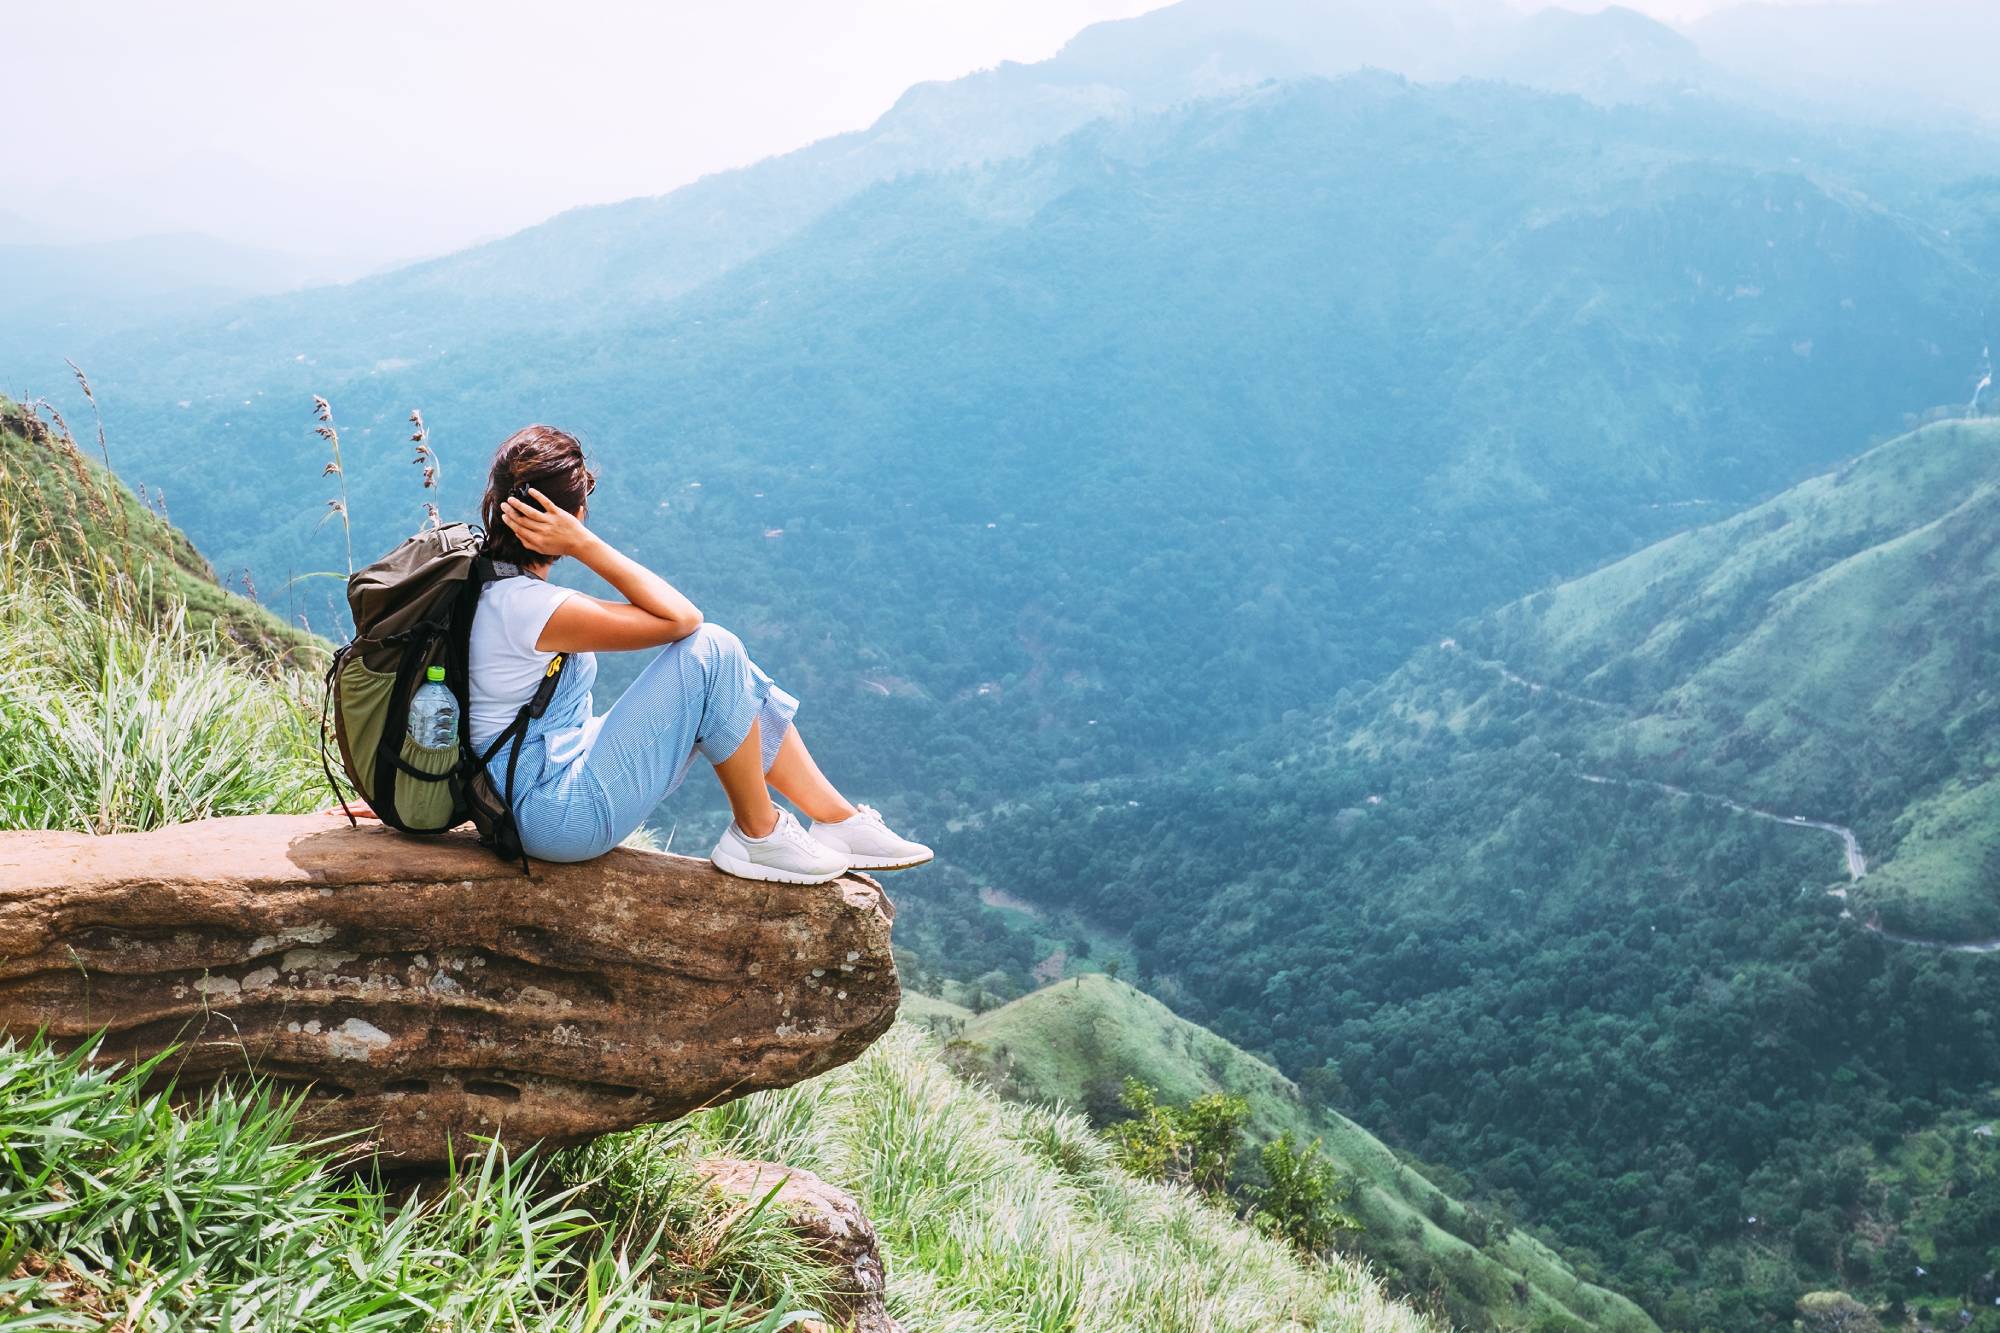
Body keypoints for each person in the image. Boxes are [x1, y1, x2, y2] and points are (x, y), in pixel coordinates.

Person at [466, 424, 931, 884]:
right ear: (574, 515)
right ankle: (757, 833)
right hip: (553, 813)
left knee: (732, 672)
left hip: (540, 777)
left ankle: (837, 821)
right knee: (713, 649)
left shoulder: (495, 586)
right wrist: (584, 546)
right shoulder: (527, 608)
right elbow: (682, 620)